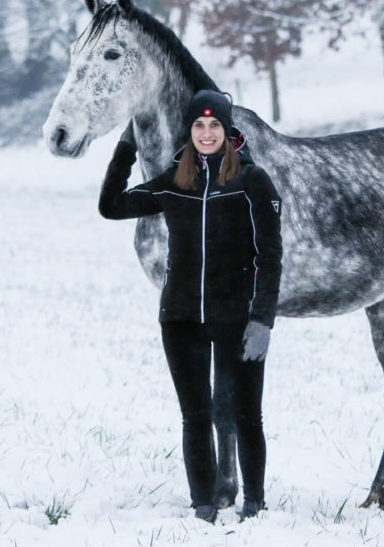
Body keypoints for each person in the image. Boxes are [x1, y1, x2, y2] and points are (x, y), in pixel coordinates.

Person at [98, 89, 283, 523]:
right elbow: (110, 206)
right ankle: (202, 505)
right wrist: (124, 148)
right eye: (198, 125)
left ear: (227, 130)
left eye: (214, 125)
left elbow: (269, 256)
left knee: (246, 413)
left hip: (237, 318)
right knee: (195, 415)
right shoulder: (173, 182)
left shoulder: (252, 181)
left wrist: (262, 320)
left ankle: (253, 502)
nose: (205, 132)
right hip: (181, 319)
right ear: (189, 131)